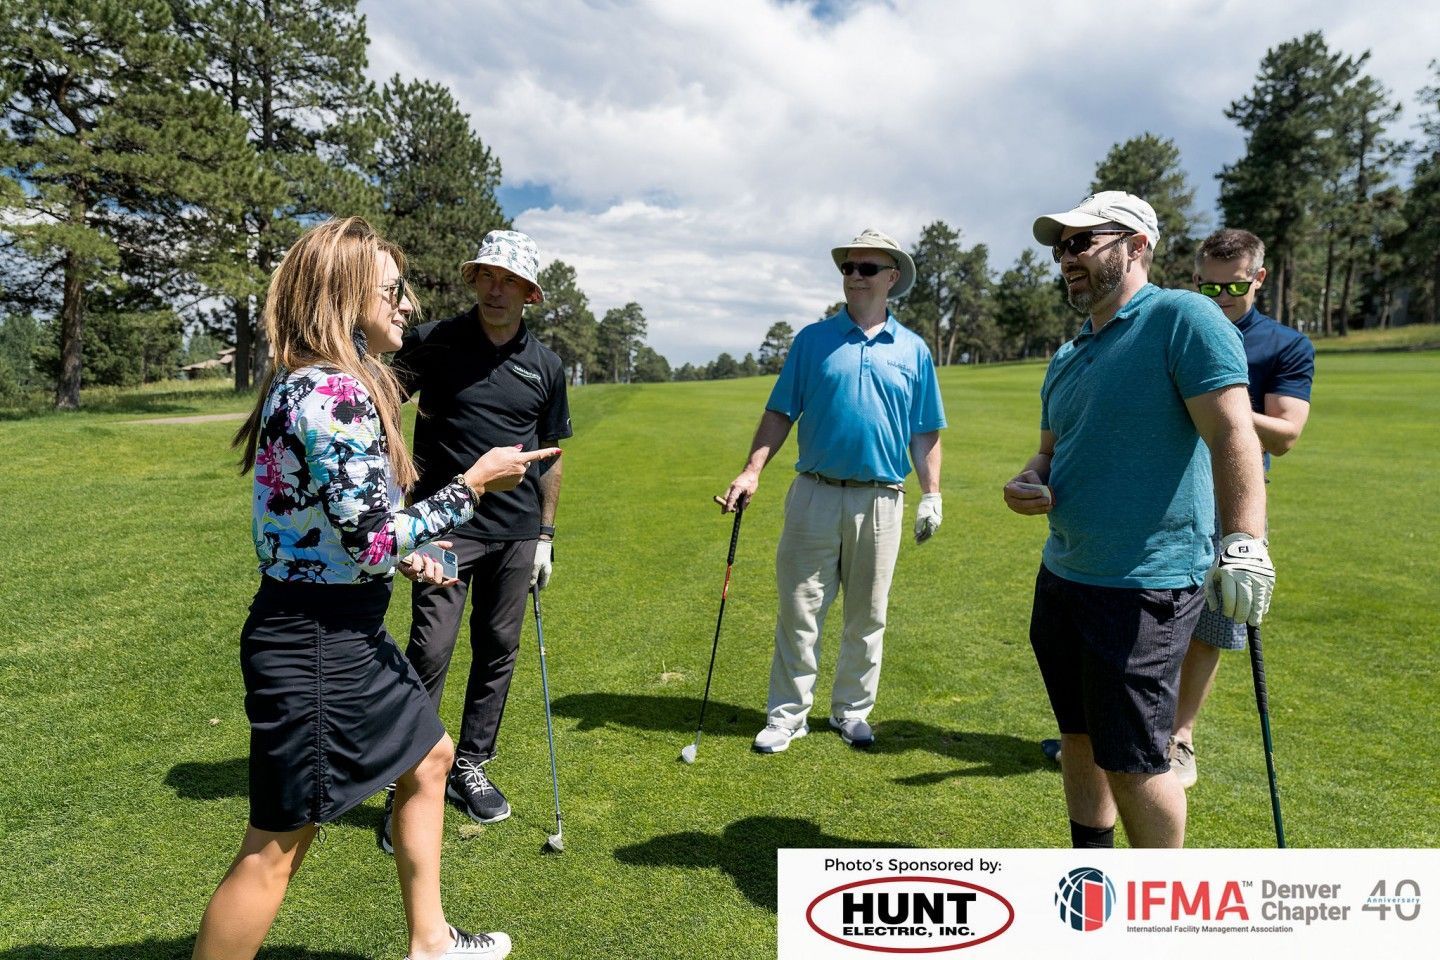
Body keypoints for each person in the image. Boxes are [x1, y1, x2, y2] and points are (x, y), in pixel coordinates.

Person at [196, 217, 557, 960]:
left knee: (430, 757)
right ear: (346, 294)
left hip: (339, 625)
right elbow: (373, 538)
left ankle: (430, 943)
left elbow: (337, 529)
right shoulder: (333, 394)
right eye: (393, 291)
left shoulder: (322, 384)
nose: (408, 305)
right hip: (316, 642)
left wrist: (401, 556)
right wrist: (473, 485)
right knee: (275, 851)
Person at [1006, 191, 1274, 849]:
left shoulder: (1183, 318)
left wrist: (1243, 540)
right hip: (1065, 574)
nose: (1064, 258)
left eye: (1080, 243)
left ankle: (1159, 915)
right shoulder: (1068, 357)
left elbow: (1234, 432)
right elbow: (1049, 453)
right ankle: (1091, 878)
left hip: (1143, 587)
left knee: (1132, 762)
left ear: (1137, 246)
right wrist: (1029, 481)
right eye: (1058, 247)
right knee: (1078, 737)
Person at [719, 229, 946, 754]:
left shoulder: (913, 350)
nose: (855, 277)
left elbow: (925, 431)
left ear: (892, 278)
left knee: (868, 615)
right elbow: (780, 412)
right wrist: (752, 470)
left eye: (867, 268)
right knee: (800, 609)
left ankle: (850, 711)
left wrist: (932, 493)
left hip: (882, 499)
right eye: (848, 268)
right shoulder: (813, 341)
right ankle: (787, 715)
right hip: (815, 493)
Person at [387, 230, 571, 837]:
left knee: (497, 650)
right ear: (474, 281)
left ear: (529, 293)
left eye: (510, 281)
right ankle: (410, 770)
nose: (496, 290)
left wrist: (545, 534)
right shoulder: (433, 342)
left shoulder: (545, 365)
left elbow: (551, 452)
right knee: (431, 648)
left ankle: (469, 764)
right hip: (443, 523)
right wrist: (393, 500)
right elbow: (381, 412)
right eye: (488, 276)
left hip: (516, 533)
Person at [1168, 228, 1314, 787]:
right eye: (1207, 286)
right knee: (1140, 609)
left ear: (1258, 277)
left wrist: (1215, 401)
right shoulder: (1180, 328)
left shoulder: (1283, 345)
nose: (1219, 298)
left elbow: (1284, 434)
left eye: (1231, 286)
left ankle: (1180, 738)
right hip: (1167, 486)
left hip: (1234, 494)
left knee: (1213, 621)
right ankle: (1122, 727)